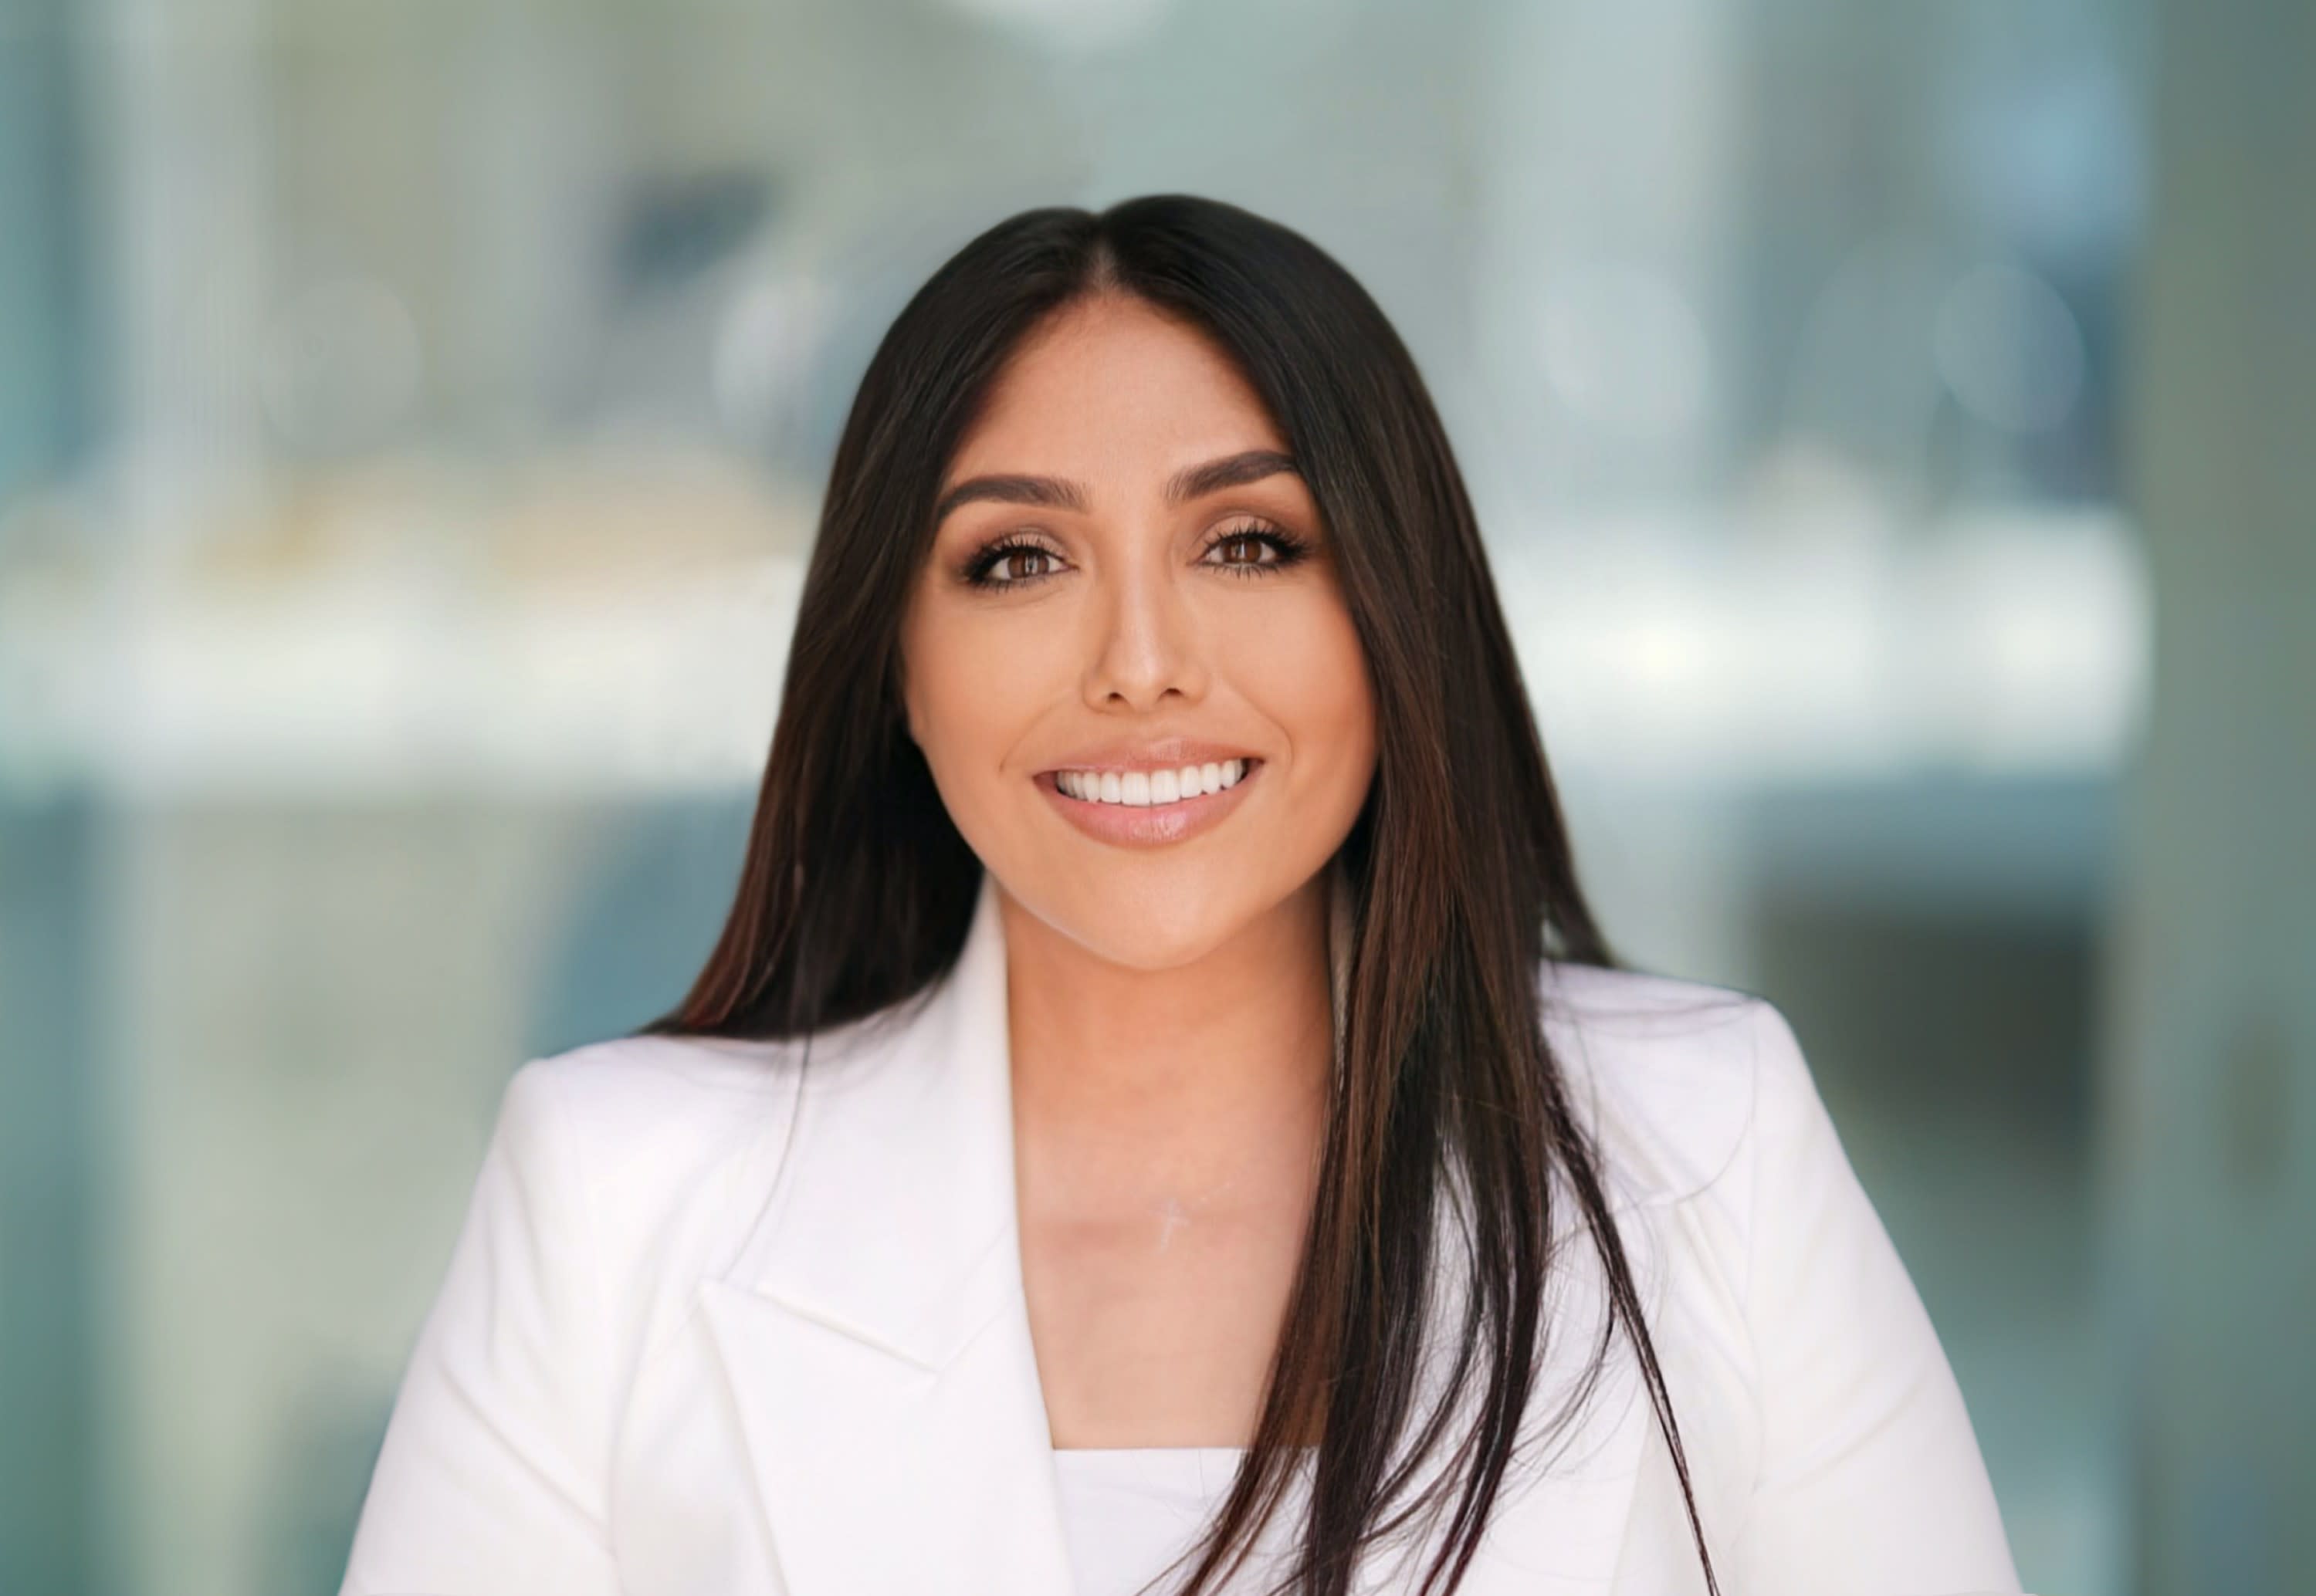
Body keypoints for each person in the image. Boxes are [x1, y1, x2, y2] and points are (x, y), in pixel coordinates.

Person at [337, 195, 2026, 1596]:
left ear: (1393, 613)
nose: (1141, 663)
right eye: (1019, 560)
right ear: (897, 665)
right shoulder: (615, 1201)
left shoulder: (1707, 1145)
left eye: (1248, 544)